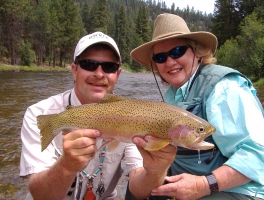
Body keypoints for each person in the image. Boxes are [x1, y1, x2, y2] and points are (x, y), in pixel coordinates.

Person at [130, 13, 264, 199]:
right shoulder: (172, 96)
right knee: (135, 191)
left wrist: (203, 185)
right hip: (205, 185)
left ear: (197, 52)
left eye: (177, 51)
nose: (170, 62)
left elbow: (257, 155)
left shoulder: (224, 88)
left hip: (251, 192)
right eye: (160, 57)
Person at [19, 31, 176, 200]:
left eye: (109, 67)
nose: (99, 74)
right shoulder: (40, 114)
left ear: (118, 74)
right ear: (74, 70)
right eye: (89, 64)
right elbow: (40, 195)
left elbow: (139, 189)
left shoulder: (133, 117)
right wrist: (66, 166)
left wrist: (156, 171)